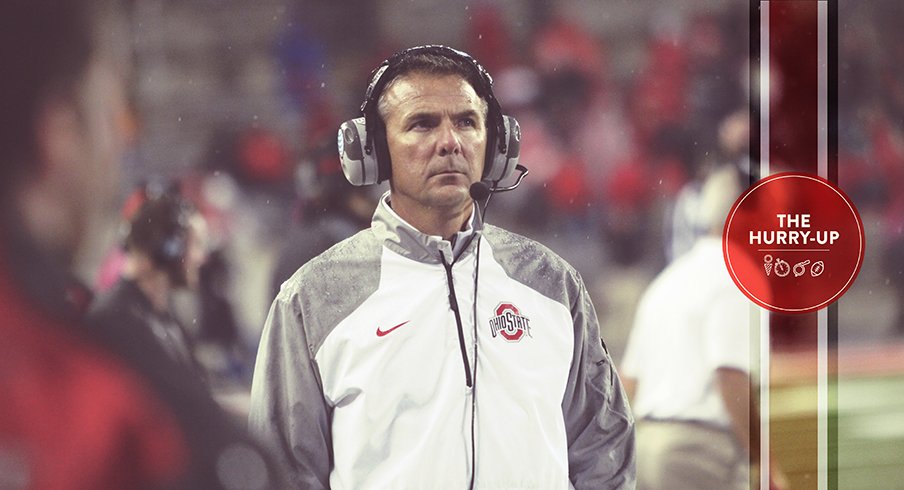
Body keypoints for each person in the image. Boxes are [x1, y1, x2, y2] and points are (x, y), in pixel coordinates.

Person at [249, 45, 635, 489]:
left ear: (496, 145)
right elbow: (281, 472)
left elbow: (603, 450)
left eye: (467, 122)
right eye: (421, 123)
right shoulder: (313, 298)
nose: (449, 141)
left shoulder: (552, 283)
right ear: (372, 151)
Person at [0, 1, 281, 488]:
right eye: (113, 116)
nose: (118, 146)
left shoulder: (152, 323)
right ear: (60, 133)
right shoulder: (98, 380)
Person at [621, 165, 787, 490]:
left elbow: (628, 382)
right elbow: (730, 377)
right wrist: (766, 464)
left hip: (648, 446)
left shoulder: (669, 279)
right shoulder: (738, 279)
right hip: (700, 454)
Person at [89, 183, 209, 378]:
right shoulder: (116, 321)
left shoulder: (163, 317)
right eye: (197, 244)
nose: (202, 257)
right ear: (169, 249)